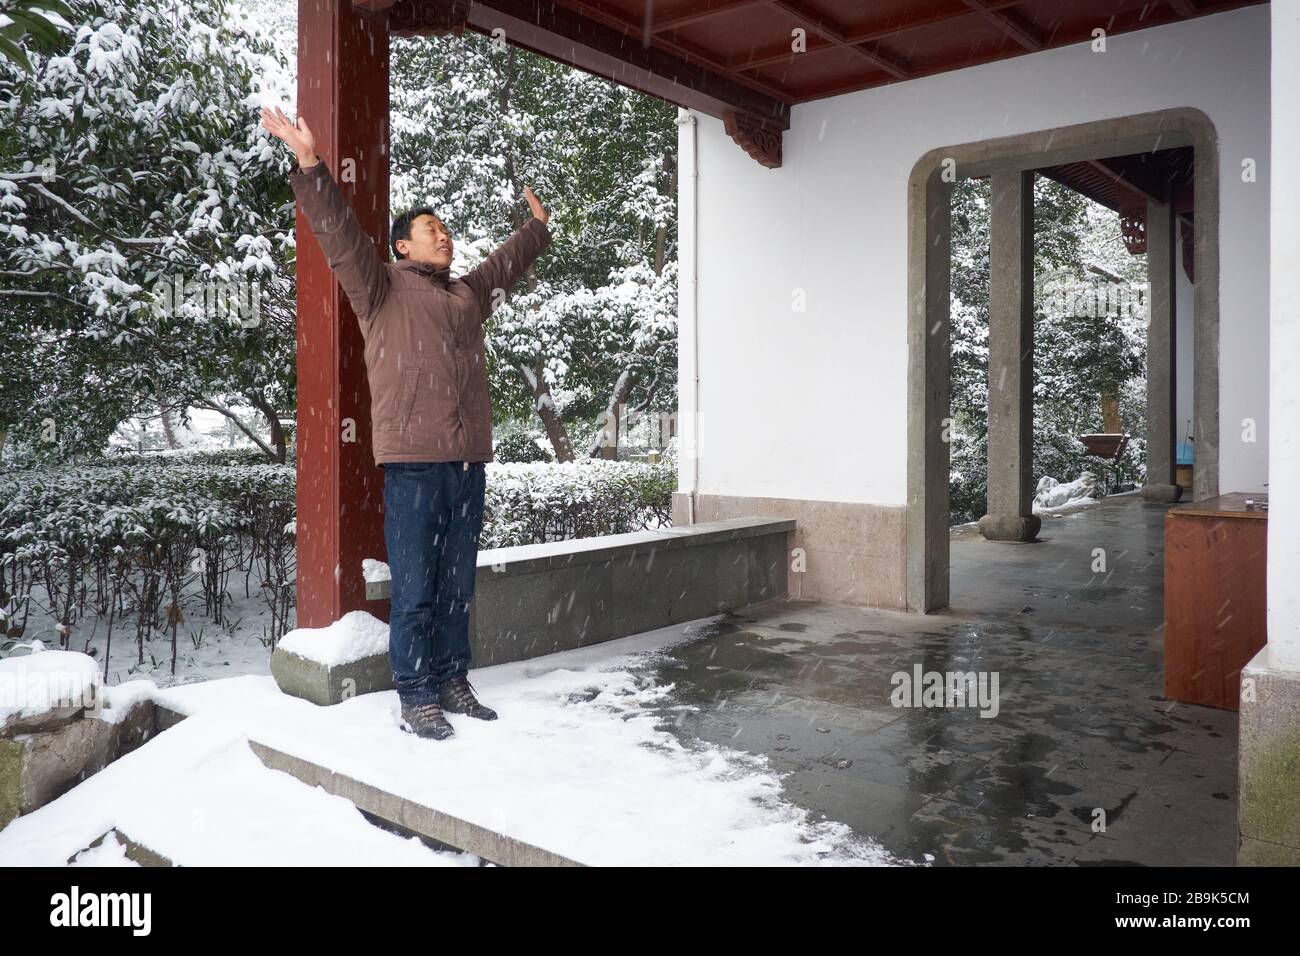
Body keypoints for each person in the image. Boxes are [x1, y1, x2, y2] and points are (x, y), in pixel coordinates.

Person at [260, 106, 552, 740]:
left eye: (446, 228)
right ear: (401, 245)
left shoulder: (466, 296)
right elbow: (337, 233)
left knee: (457, 585)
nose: (444, 235)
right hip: (413, 462)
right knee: (417, 584)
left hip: (468, 460)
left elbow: (505, 265)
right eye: (430, 228)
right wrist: (309, 164)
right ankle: (415, 691)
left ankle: (452, 679)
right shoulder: (381, 287)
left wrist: (538, 227)